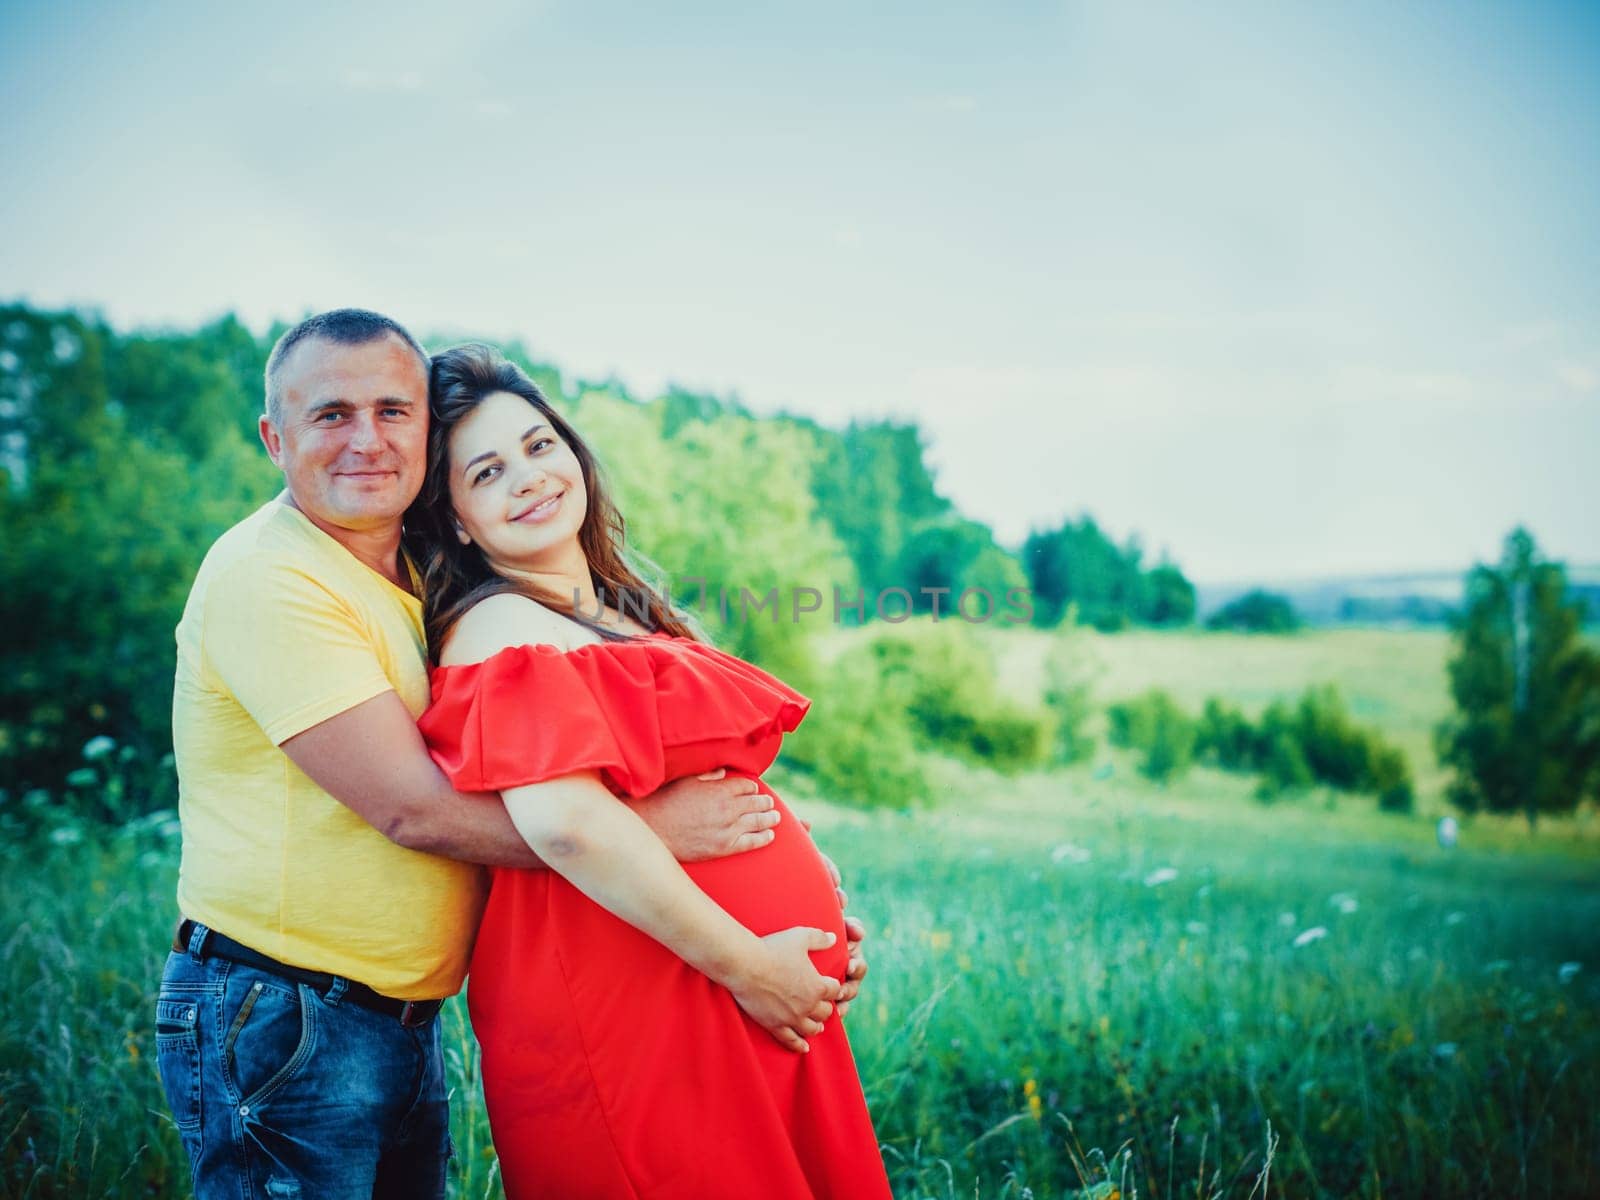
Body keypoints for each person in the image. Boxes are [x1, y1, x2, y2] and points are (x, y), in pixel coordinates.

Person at [156, 309, 868, 1199]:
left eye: (392, 410)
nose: (367, 440)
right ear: (275, 435)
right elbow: (417, 809)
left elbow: (631, 768)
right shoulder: (273, 577)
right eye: (332, 414)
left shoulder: (414, 580)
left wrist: (798, 887)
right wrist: (663, 838)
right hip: (288, 1003)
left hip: (396, 1008)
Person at [407, 343, 894, 1197]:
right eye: (486, 473)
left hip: (724, 982)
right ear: (453, 519)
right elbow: (565, 823)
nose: (528, 477)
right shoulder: (497, 628)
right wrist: (751, 964)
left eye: (538, 445)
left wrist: (812, 907)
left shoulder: (615, 612)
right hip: (643, 1001)